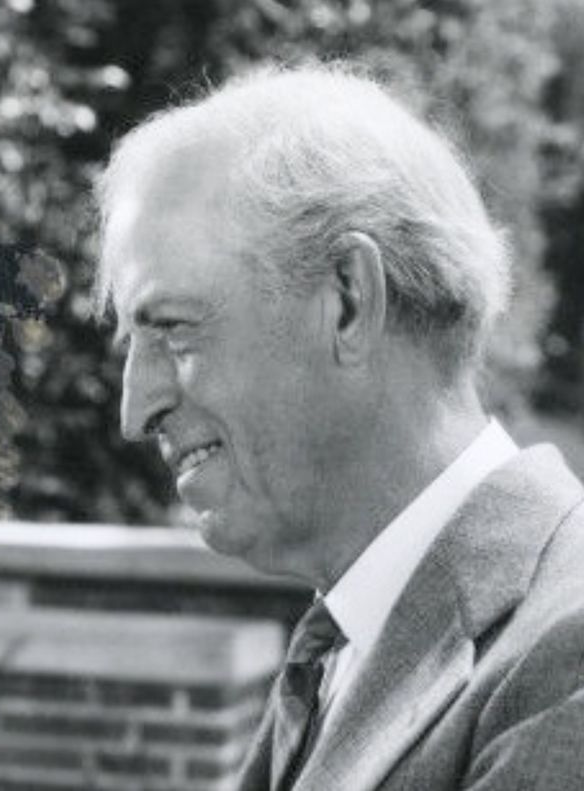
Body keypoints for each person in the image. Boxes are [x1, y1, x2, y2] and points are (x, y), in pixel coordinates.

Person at [95, 62, 584, 791]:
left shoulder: (562, 661)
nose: (136, 412)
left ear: (349, 301)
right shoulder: (350, 642)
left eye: (172, 328)